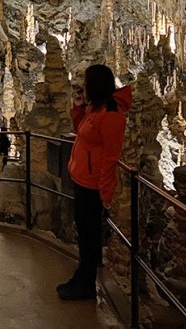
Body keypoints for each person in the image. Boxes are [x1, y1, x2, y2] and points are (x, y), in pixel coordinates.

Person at [57, 64, 132, 301]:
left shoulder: (112, 114)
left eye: (87, 83)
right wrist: (79, 108)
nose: (85, 86)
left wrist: (105, 191)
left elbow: (111, 157)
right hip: (82, 180)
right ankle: (81, 276)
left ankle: (86, 285)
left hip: (92, 186)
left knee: (90, 237)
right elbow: (82, 132)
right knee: (84, 233)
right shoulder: (97, 108)